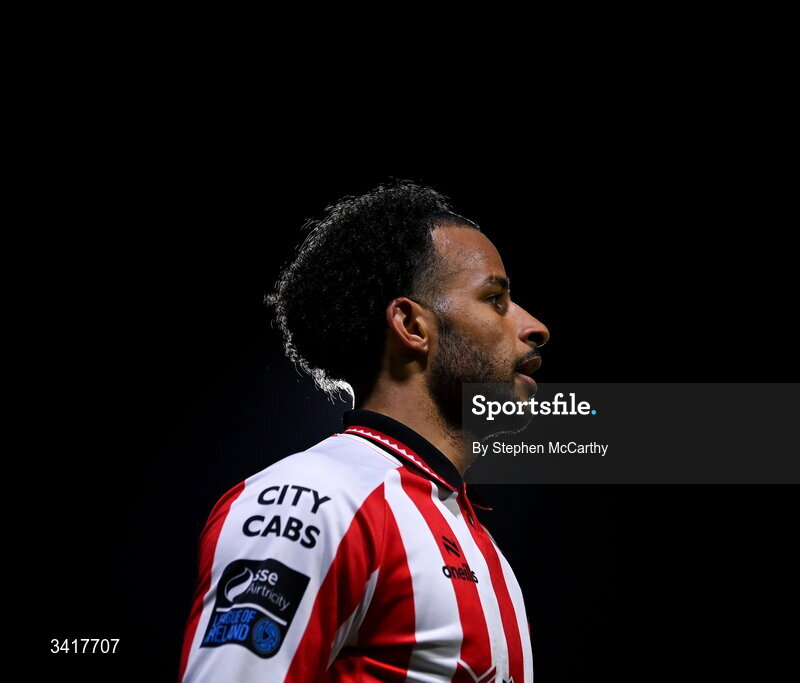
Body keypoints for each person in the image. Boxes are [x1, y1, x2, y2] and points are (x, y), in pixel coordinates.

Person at [178, 180, 549, 682]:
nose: (535, 326)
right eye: (495, 299)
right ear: (412, 326)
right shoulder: (309, 500)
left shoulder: (473, 535)